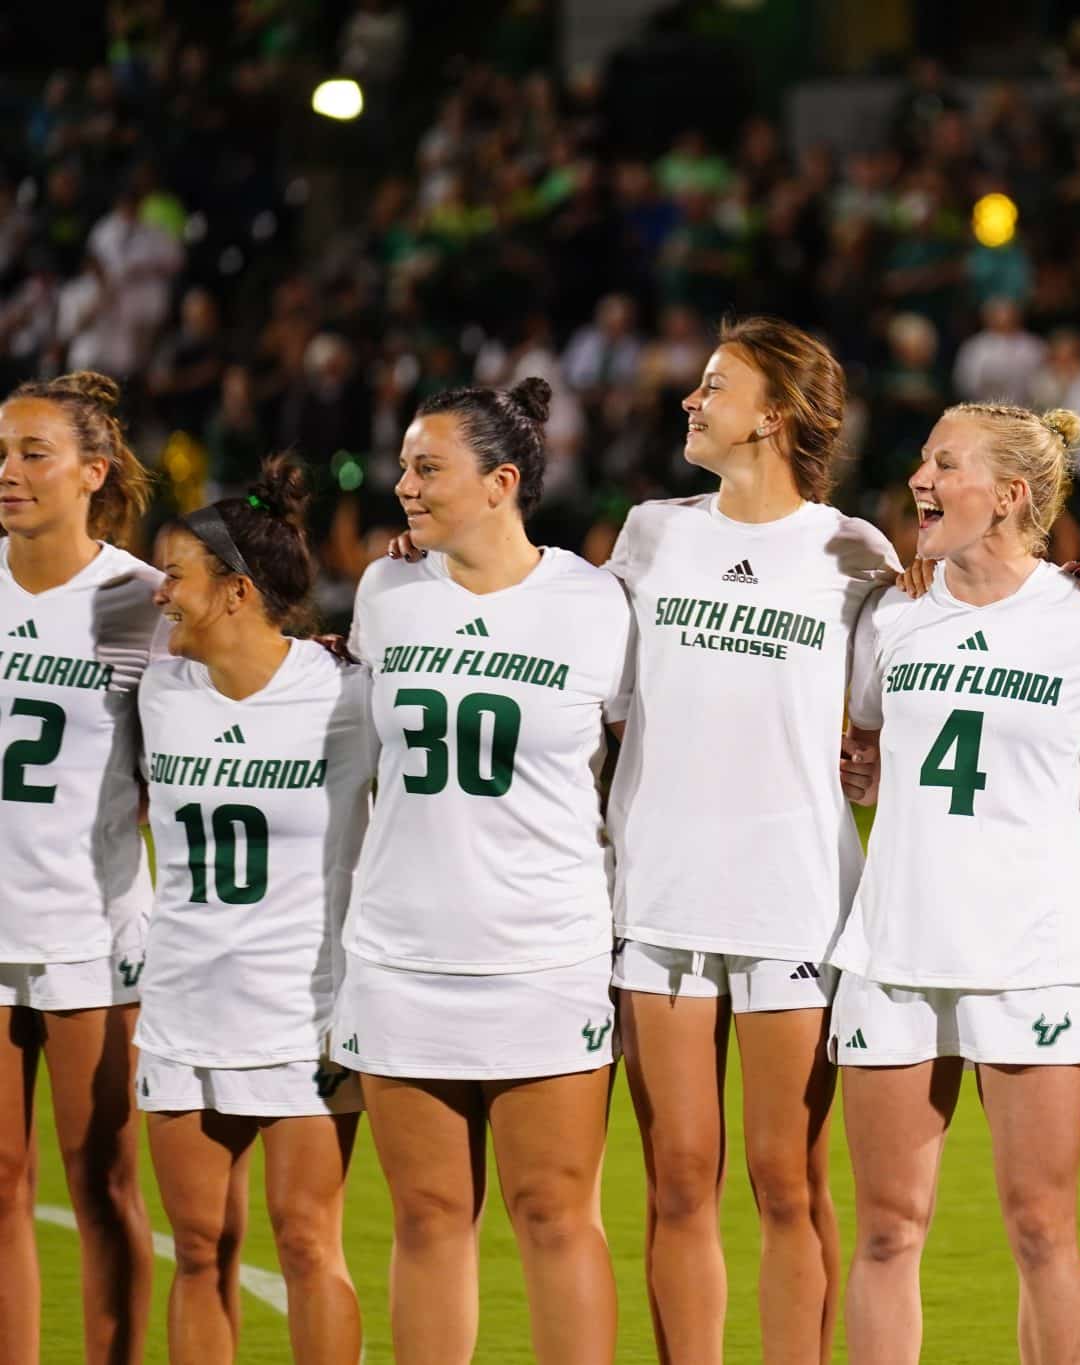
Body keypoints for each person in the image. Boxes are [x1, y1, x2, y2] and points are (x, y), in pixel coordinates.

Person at [604, 316, 894, 1363]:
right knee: (679, 1175)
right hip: (661, 891)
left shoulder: (853, 554)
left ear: (772, 416)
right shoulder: (649, 534)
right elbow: (597, 694)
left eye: (715, 385)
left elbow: (882, 712)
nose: (691, 398)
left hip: (792, 894)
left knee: (787, 1180)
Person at [338, 377, 629, 1364]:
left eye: (428, 468)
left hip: (542, 951)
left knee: (553, 1213)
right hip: (402, 950)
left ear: (501, 481)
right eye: (404, 466)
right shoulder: (386, 592)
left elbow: (642, 755)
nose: (403, 486)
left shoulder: (597, 604)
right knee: (425, 1219)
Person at [834, 403, 1080, 1364]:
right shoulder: (890, 614)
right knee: (885, 1231)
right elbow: (866, 747)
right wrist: (862, 770)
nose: (920, 479)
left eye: (944, 463)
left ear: (1009, 496)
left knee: (1042, 1231)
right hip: (895, 950)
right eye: (922, 459)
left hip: (1030, 957)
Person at [137, 455, 372, 1364]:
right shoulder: (160, 689)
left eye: (178, 576)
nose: (161, 592)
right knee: (198, 1251)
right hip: (183, 1005)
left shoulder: (348, 693)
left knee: (309, 1242)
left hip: (304, 1012)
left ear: (236, 591)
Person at [0, 371, 158, 1365]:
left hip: (90, 932)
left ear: (92, 473)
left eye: (31, 454)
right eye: (2, 454)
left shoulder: (141, 603)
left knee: (101, 1183)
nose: (8, 473)